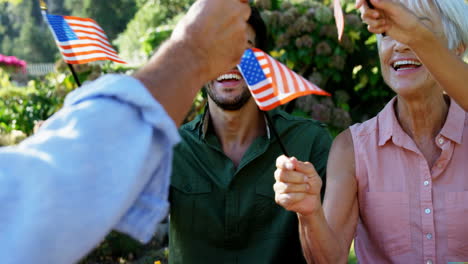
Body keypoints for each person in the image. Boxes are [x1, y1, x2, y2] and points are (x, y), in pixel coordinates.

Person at [0, 0, 251, 263]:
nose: (232, 65)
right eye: (232, 50)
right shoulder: (180, 144)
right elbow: (40, 199)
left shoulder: (295, 138)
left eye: (245, 50)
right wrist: (192, 52)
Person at [274, 0, 468, 263]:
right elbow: (328, 260)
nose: (400, 44)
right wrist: (310, 214)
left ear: (458, 49)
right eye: (388, 34)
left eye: (417, 30)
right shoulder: (351, 148)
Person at [168, 7, 332, 263]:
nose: (228, 60)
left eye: (242, 48)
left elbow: (332, 258)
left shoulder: (310, 142)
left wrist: (311, 214)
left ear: (261, 62)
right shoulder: (171, 147)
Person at [357, 0, 468, 111]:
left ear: (458, 48)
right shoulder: (358, 129)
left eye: (422, 29)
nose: (400, 45)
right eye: (387, 32)